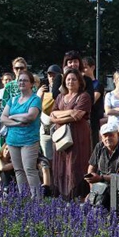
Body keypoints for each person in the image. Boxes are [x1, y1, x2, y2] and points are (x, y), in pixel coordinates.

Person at [50, 67, 92, 200]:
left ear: (79, 81)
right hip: (61, 136)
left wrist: (57, 118)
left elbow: (78, 116)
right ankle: (63, 196)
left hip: (78, 136)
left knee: (75, 164)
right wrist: (69, 112)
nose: (70, 82)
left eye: (74, 79)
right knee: (61, 163)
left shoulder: (84, 96)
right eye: (68, 79)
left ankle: (77, 195)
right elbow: (52, 114)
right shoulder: (60, 97)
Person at [0, 70, 42, 196]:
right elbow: (2, 118)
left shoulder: (35, 99)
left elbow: (30, 117)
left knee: (29, 169)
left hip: (29, 140)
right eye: (20, 80)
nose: (22, 82)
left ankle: (36, 200)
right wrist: (17, 122)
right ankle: (24, 199)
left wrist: (12, 116)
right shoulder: (12, 100)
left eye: (25, 80)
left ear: (31, 84)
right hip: (13, 140)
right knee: (18, 170)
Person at [85, 122, 119, 186]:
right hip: (100, 186)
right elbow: (91, 168)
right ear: (102, 138)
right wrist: (92, 189)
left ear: (118, 135)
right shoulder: (99, 146)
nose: (108, 138)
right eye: (105, 136)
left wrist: (101, 178)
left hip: (118, 186)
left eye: (111, 135)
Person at [82, 56, 105, 149]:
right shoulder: (80, 85)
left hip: (93, 120)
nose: (83, 70)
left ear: (93, 67)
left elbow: (92, 101)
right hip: (83, 119)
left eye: (85, 67)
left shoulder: (97, 85)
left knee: (93, 146)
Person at [38, 66, 60, 159]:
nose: (52, 77)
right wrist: (40, 94)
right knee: (47, 156)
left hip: (58, 126)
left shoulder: (63, 90)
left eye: (54, 75)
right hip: (45, 127)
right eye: (50, 75)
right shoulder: (43, 89)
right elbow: (36, 105)